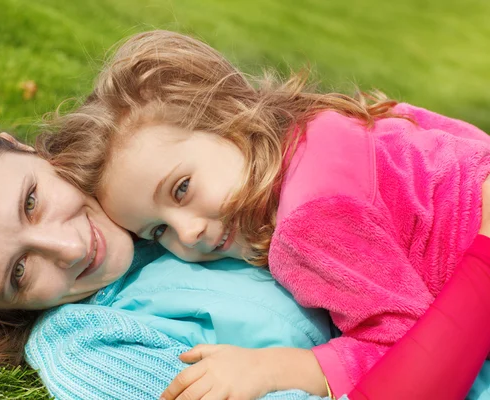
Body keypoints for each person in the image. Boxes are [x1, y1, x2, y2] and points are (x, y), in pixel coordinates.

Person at [42, 29, 490, 398]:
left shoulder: (305, 226)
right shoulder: (325, 119)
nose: (189, 232)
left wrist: (281, 367)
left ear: (227, 119)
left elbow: (410, 348)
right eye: (158, 230)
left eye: (182, 189)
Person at [0, 125, 338, 399]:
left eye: (31, 202)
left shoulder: (148, 166)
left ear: (24, 148)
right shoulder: (86, 350)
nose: (69, 248)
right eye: (19, 272)